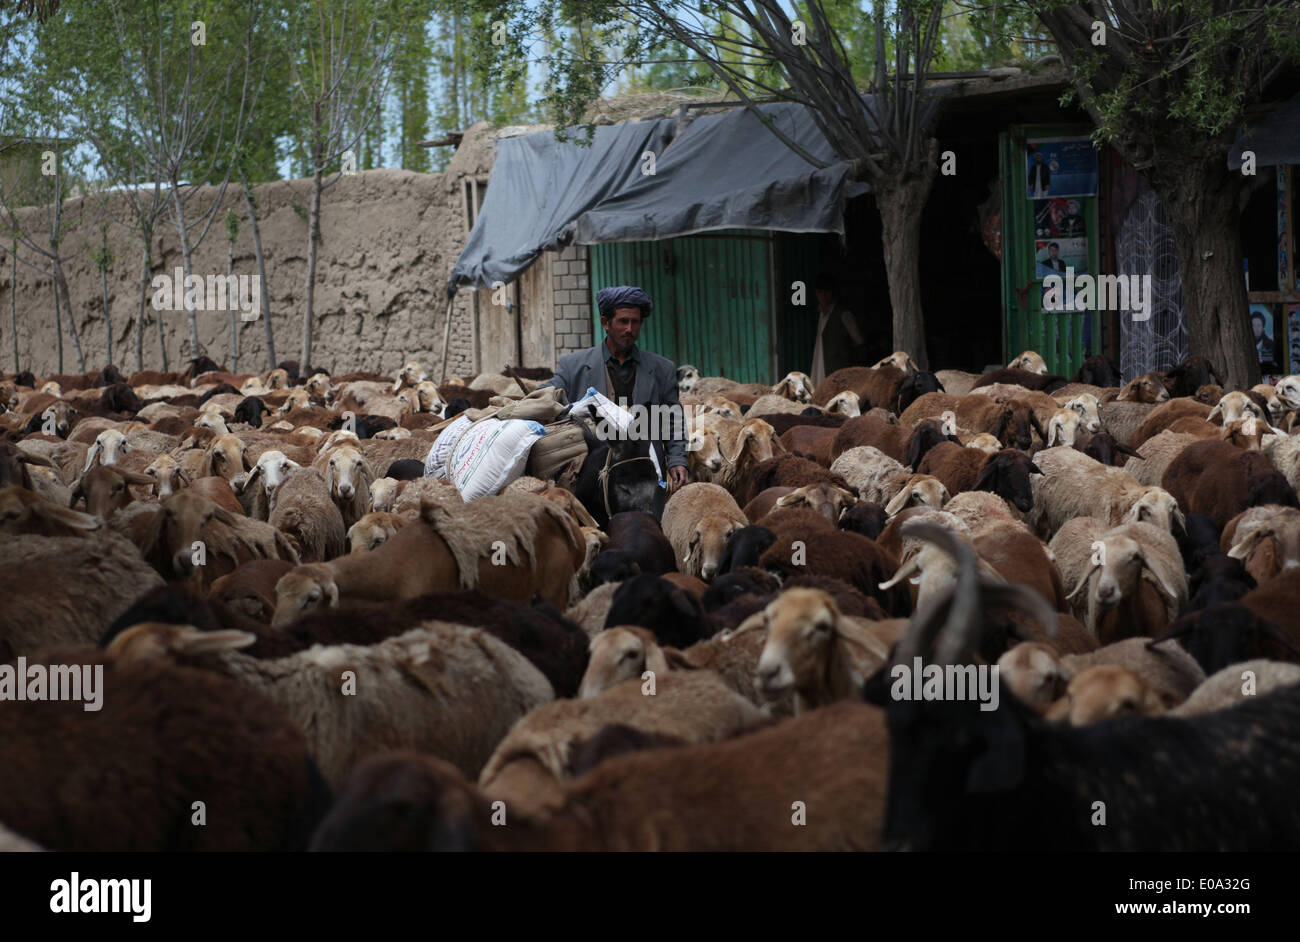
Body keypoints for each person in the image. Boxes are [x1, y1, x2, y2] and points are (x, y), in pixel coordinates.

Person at [543, 285, 689, 489]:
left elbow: (672, 418)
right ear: (605, 322)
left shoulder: (662, 369)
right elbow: (548, 398)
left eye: (635, 322)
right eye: (623, 321)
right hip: (591, 477)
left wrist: (677, 460)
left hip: (645, 474)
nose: (629, 329)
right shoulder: (573, 366)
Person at [810, 273, 866, 387]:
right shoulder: (820, 314)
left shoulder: (843, 314)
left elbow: (859, 342)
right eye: (820, 293)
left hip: (838, 373)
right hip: (820, 368)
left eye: (827, 292)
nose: (824, 296)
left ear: (832, 292)